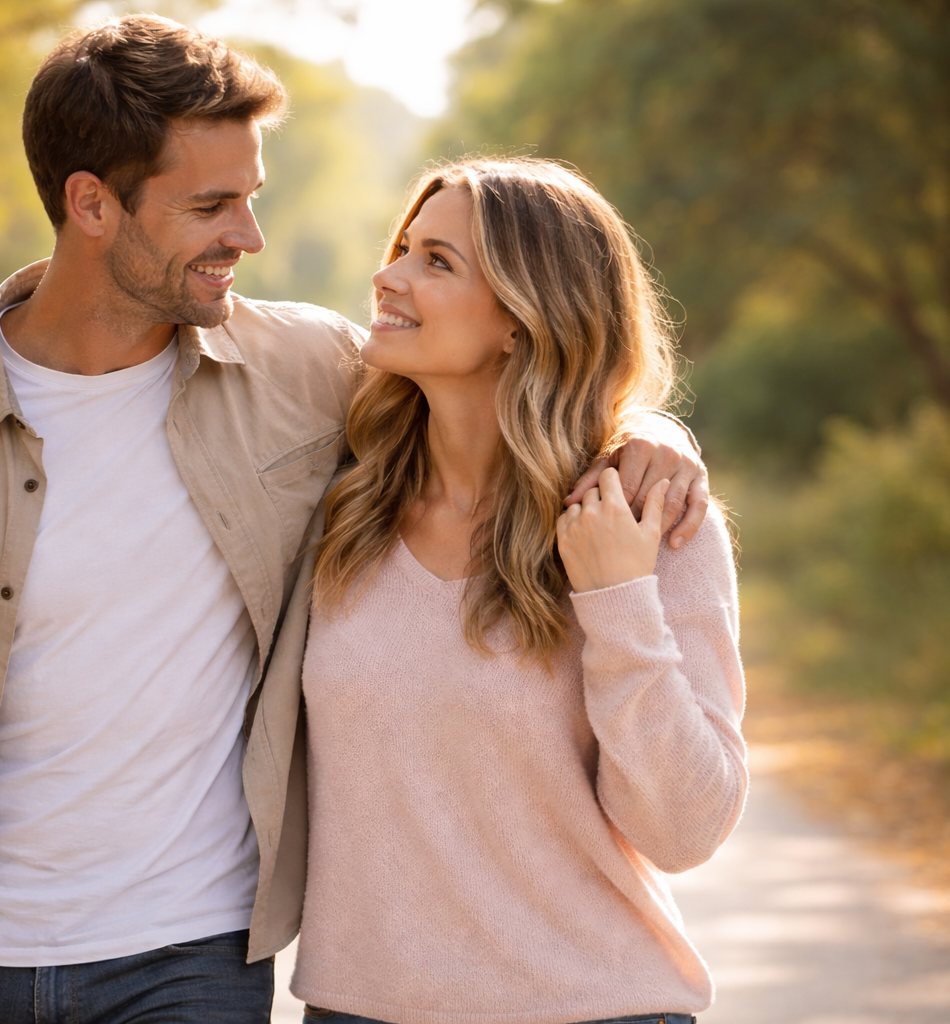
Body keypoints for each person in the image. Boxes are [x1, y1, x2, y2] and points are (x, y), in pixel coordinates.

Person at [0, 18, 711, 1024]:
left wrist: (656, 438)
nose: (248, 237)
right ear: (90, 203)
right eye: (211, 205)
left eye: (251, 199)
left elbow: (507, 366)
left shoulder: (301, 372)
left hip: (190, 959)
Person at [289, 158, 746, 1024]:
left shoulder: (650, 525)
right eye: (401, 249)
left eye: (437, 262)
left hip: (594, 1005)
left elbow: (687, 830)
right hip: (357, 1009)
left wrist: (618, 600)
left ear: (522, 319)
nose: (387, 277)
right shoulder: (341, 502)